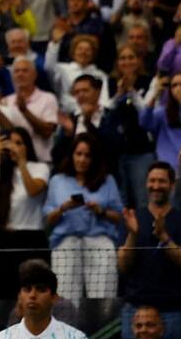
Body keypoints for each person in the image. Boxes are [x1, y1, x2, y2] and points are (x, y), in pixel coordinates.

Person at [43, 133, 124, 313]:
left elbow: (120, 216)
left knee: (103, 297)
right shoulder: (57, 180)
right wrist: (63, 208)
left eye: (87, 155)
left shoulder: (107, 180)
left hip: (99, 240)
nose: (82, 159)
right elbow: (47, 219)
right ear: (71, 155)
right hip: (66, 242)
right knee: (65, 298)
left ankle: (103, 334)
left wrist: (100, 211)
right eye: (78, 154)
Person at [118, 162, 181, 339]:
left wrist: (163, 236)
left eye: (162, 181)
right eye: (152, 181)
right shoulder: (132, 218)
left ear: (172, 185)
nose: (156, 186)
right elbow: (123, 265)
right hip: (135, 311)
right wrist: (133, 235)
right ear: (146, 183)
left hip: (174, 311)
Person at [0, 127, 51, 296]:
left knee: (32, 289)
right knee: (3, 292)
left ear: (27, 146)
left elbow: (33, 190)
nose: (14, 147)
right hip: (2, 238)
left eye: (19, 143)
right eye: (10, 143)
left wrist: (22, 163)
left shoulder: (40, 168)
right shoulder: (0, 168)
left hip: (30, 238)